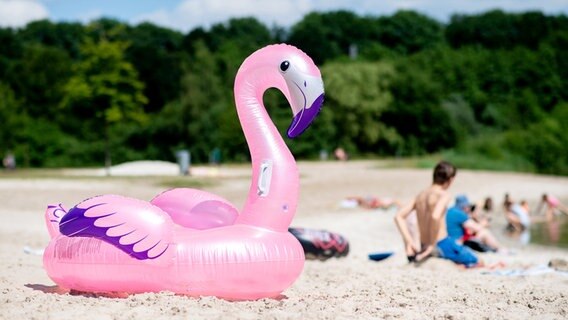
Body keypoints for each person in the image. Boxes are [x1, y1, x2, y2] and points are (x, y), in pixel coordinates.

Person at [394, 161, 480, 268]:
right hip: (441, 243)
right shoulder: (443, 195)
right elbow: (435, 216)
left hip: (422, 244)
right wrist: (432, 245)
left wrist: (409, 241)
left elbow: (398, 216)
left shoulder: (421, 195)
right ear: (451, 179)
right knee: (475, 260)